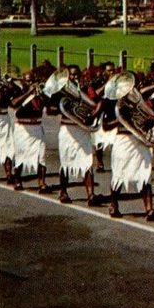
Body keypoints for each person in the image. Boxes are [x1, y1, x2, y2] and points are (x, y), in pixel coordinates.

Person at [101, 71, 154, 220]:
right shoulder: (112, 102)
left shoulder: (140, 100)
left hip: (140, 141)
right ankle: (114, 204)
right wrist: (120, 120)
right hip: (123, 140)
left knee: (145, 174)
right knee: (119, 174)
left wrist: (152, 121)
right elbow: (106, 126)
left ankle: (149, 209)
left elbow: (151, 119)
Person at [54, 65, 104, 205]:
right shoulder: (60, 91)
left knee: (87, 162)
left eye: (77, 75)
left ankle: (91, 195)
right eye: (72, 75)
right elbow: (50, 110)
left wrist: (93, 115)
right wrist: (62, 107)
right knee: (66, 162)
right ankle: (63, 192)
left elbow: (98, 103)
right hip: (67, 130)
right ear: (67, 77)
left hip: (82, 129)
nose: (75, 77)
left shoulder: (86, 89)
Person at [10, 72, 49, 193]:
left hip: (37, 126)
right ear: (22, 81)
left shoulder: (39, 93)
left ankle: (41, 183)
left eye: (32, 81)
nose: (31, 83)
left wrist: (41, 95)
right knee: (20, 155)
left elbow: (47, 105)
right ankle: (18, 181)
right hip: (23, 128)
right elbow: (14, 104)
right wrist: (29, 93)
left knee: (41, 156)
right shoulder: (18, 92)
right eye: (28, 81)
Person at [0, 71, 21, 185]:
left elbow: (13, 101)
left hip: (3, 118)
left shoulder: (4, 88)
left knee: (8, 147)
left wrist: (11, 84)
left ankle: (9, 175)